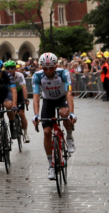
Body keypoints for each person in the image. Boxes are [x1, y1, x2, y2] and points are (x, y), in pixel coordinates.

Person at [32, 53, 76, 181]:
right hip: (48, 101)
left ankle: (69, 136)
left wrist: (71, 112)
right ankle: (51, 165)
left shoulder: (64, 73)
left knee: (64, 113)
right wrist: (35, 115)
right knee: (46, 132)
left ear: (56, 66)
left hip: (62, 99)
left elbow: (69, 92)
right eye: (45, 68)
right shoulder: (37, 76)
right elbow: (36, 96)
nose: (48, 71)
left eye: (51, 67)